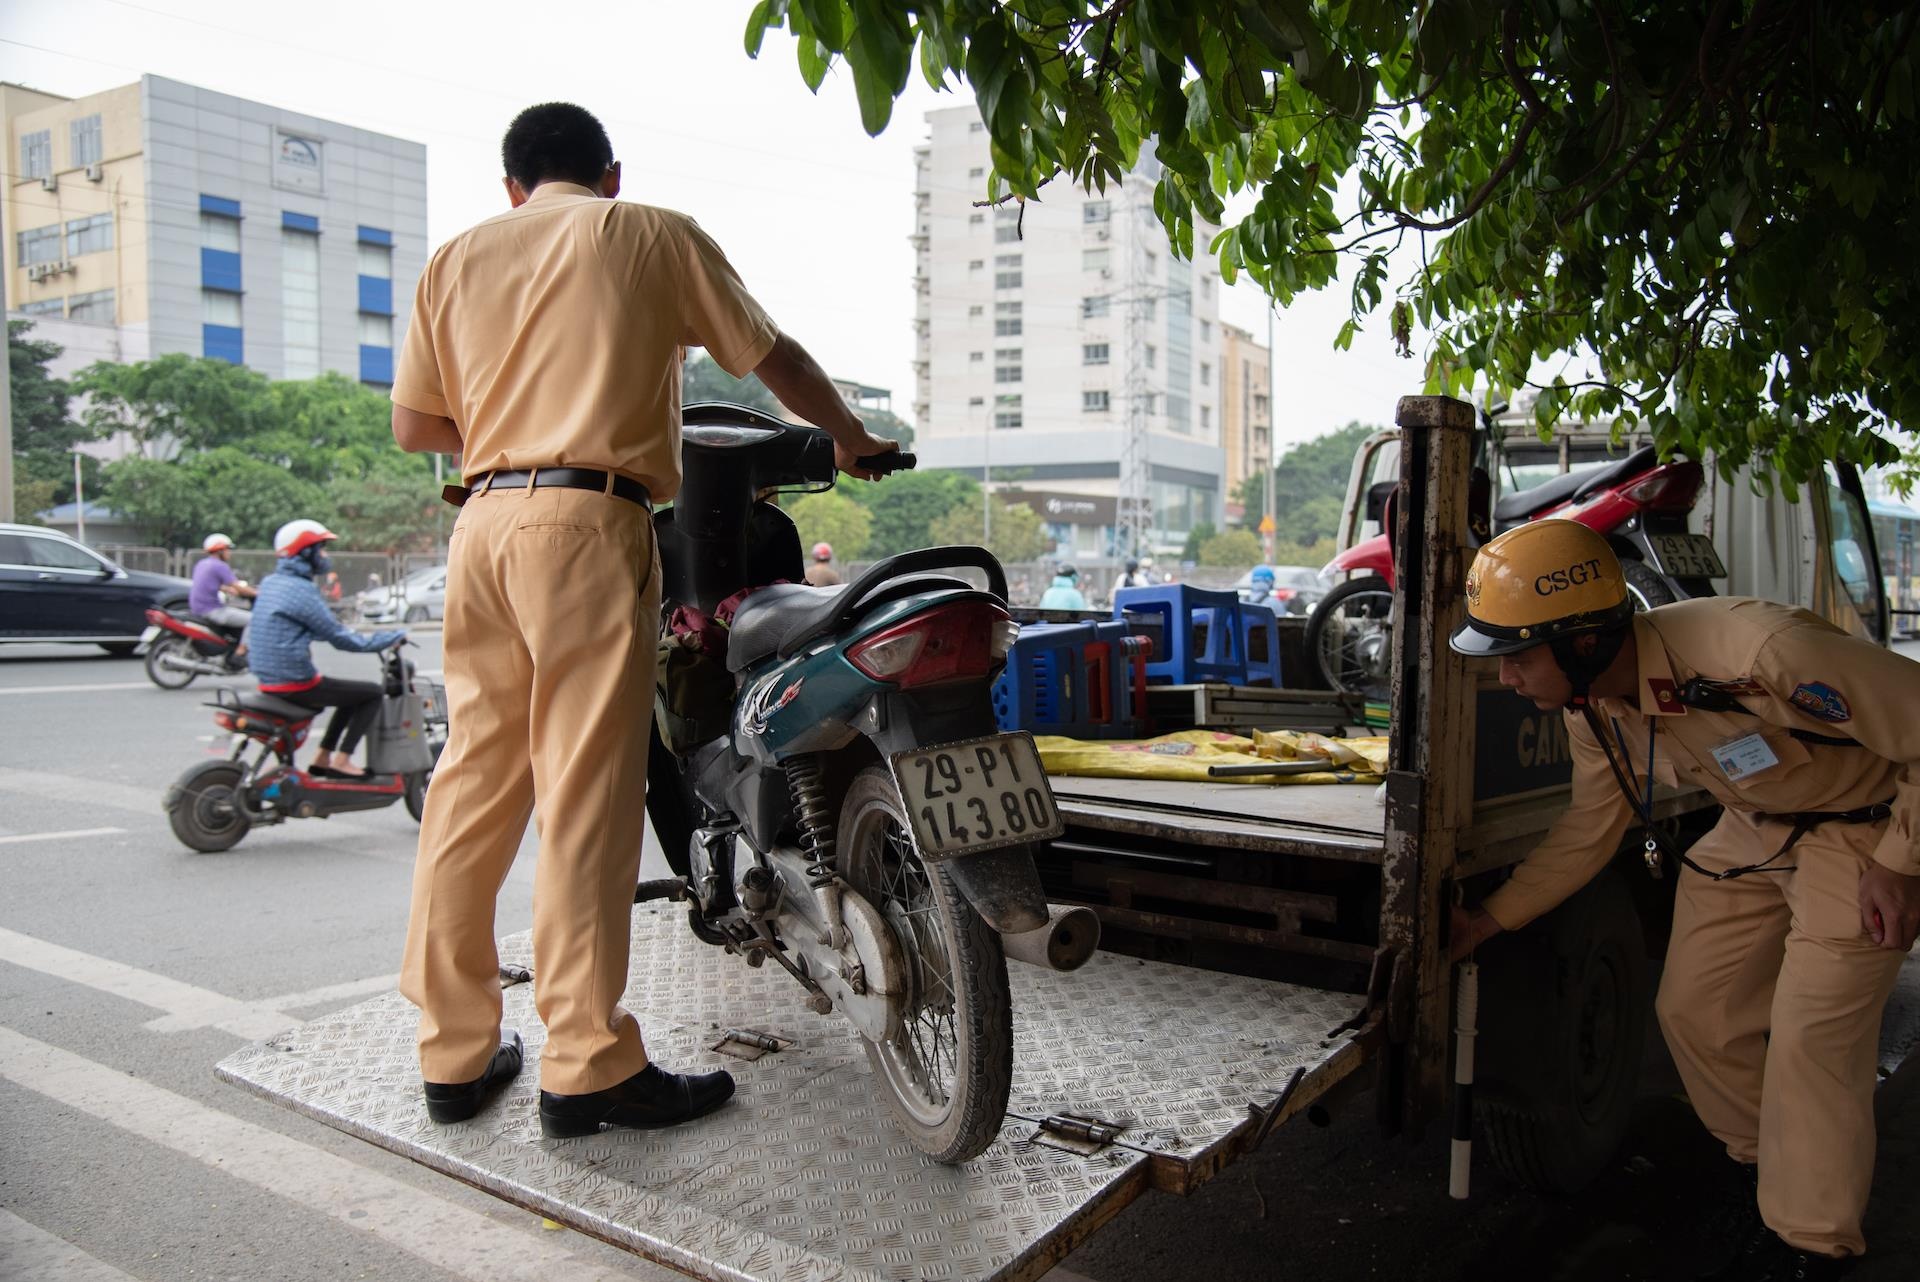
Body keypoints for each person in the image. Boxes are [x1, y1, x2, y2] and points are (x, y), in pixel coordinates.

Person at [389, 102, 896, 1137]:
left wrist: (509, 424)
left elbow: (415, 426)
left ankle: (453, 1052)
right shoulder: (647, 231)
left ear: (511, 185)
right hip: (587, 522)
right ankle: (585, 1062)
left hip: (480, 523)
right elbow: (771, 356)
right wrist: (849, 437)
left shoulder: (456, 258)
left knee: (471, 785)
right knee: (585, 790)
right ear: (610, 173)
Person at [1449, 519, 1920, 1280]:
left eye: (1518, 657)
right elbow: (1588, 831)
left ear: (1584, 641)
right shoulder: (1594, 706)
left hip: (1863, 830)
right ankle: (1772, 1171)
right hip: (1753, 827)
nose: (1505, 678)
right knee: (1694, 1012)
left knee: (1813, 1042)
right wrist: (1488, 920)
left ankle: (1809, 1243)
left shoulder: (1761, 653)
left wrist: (1901, 863)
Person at [248, 519, 406, 778]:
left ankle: (323, 757)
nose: (324, 556)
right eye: (320, 549)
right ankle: (342, 760)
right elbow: (340, 638)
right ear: (305, 552)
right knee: (371, 693)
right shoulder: (301, 590)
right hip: (295, 682)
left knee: (349, 695)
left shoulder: (271, 583)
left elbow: (306, 628)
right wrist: (389, 638)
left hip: (269, 679)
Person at [188, 532, 256, 658]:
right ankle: (241, 652)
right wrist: (257, 593)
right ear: (220, 551)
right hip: (213, 610)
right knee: (255, 619)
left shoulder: (202, 564)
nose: (229, 553)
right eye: (227, 549)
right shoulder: (219, 566)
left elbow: (208, 583)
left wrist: (227, 589)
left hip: (198, 609)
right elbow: (238, 587)